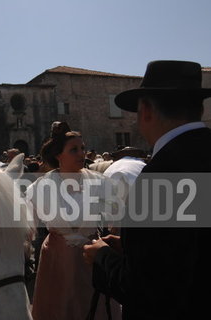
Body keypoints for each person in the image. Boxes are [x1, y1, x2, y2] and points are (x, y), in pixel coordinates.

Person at [83, 60, 211, 319]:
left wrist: (102, 257)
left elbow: (145, 289)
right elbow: (187, 245)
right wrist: (132, 246)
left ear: (147, 109)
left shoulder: (164, 174)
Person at [29, 122, 120, 320]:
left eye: (83, 148)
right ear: (58, 155)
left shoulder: (99, 182)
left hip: (92, 255)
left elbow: (117, 217)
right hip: (57, 257)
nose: (81, 154)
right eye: (74, 150)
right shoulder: (41, 187)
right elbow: (28, 226)